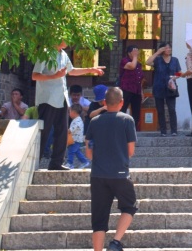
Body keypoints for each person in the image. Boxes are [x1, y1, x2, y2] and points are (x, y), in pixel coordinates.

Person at [32, 42, 105, 171]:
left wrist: (91, 69)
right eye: (65, 37)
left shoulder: (64, 54)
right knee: (44, 132)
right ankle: (33, 162)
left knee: (62, 132)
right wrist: (54, 76)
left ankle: (56, 163)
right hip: (48, 99)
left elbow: (72, 71)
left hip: (62, 98)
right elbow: (35, 75)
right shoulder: (45, 52)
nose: (68, 41)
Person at [85, 87, 138, 251]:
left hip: (98, 174)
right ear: (122, 102)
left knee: (99, 219)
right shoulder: (127, 120)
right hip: (120, 173)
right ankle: (115, 242)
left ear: (104, 103)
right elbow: (130, 151)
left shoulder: (94, 122)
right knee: (129, 206)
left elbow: (88, 153)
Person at [149, 43, 181, 136]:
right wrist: (157, 53)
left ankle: (174, 130)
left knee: (172, 109)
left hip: (170, 87)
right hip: (158, 87)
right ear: (162, 49)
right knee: (160, 110)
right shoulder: (157, 60)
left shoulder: (175, 60)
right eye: (166, 48)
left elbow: (179, 73)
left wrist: (174, 77)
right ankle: (163, 131)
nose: (169, 49)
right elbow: (147, 62)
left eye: (170, 47)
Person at [117, 46, 145, 130]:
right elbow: (132, 66)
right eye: (134, 51)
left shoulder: (139, 64)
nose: (136, 53)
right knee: (123, 108)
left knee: (136, 111)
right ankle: (120, 128)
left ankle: (133, 129)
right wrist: (135, 57)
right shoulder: (125, 61)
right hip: (126, 89)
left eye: (137, 51)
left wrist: (141, 92)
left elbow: (140, 79)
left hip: (136, 90)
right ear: (129, 53)